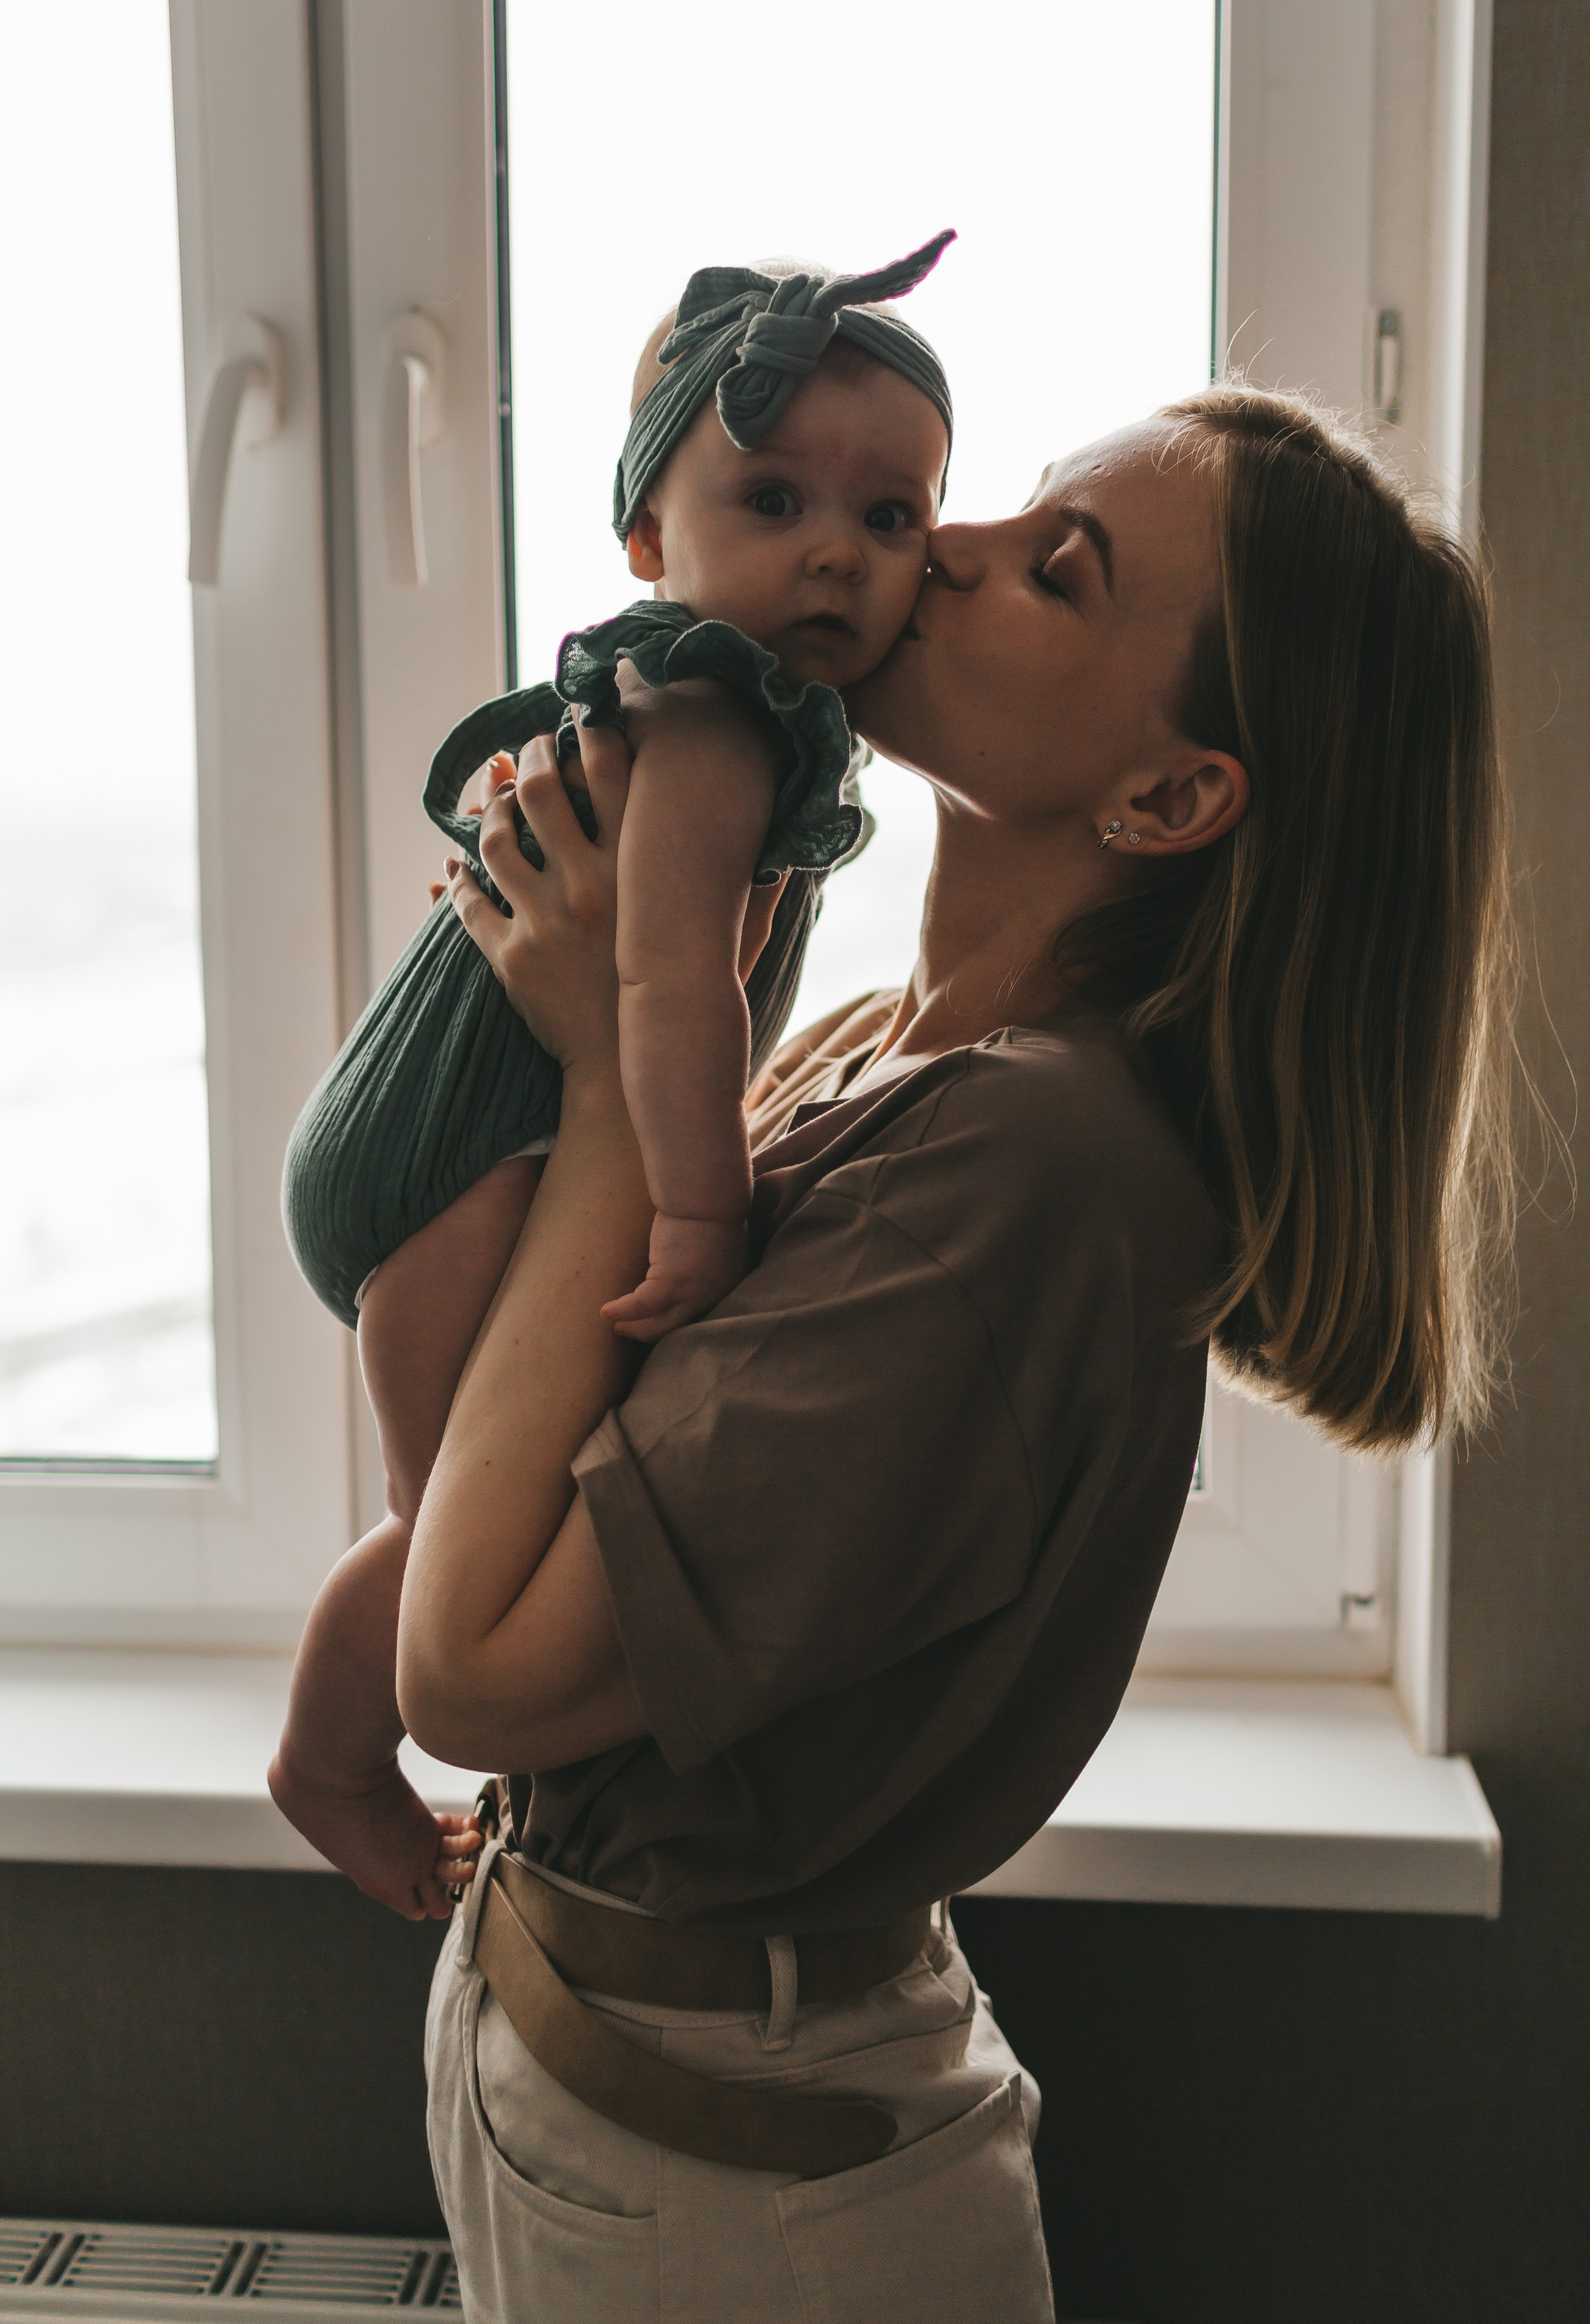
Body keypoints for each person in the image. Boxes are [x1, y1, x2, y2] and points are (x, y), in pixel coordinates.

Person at [396, 384, 1517, 2321]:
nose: (947, 551)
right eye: (1001, 512)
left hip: (733, 2200)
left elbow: (470, 1662)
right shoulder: (871, 1050)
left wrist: (604, 1082)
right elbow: (531, 1464)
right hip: (635, 2095)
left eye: (1055, 574)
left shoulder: (1028, 1170)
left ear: (1171, 800)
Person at [269, 236, 956, 1918]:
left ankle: (409, 1760)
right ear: (652, 538)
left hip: (460, 1137)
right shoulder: (721, 715)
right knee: (461, 1537)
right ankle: (333, 1767)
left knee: (468, 1511)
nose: (833, 556)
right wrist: (703, 1211)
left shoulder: (720, 706)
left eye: (887, 519)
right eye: (774, 500)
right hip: (454, 1152)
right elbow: (662, 991)